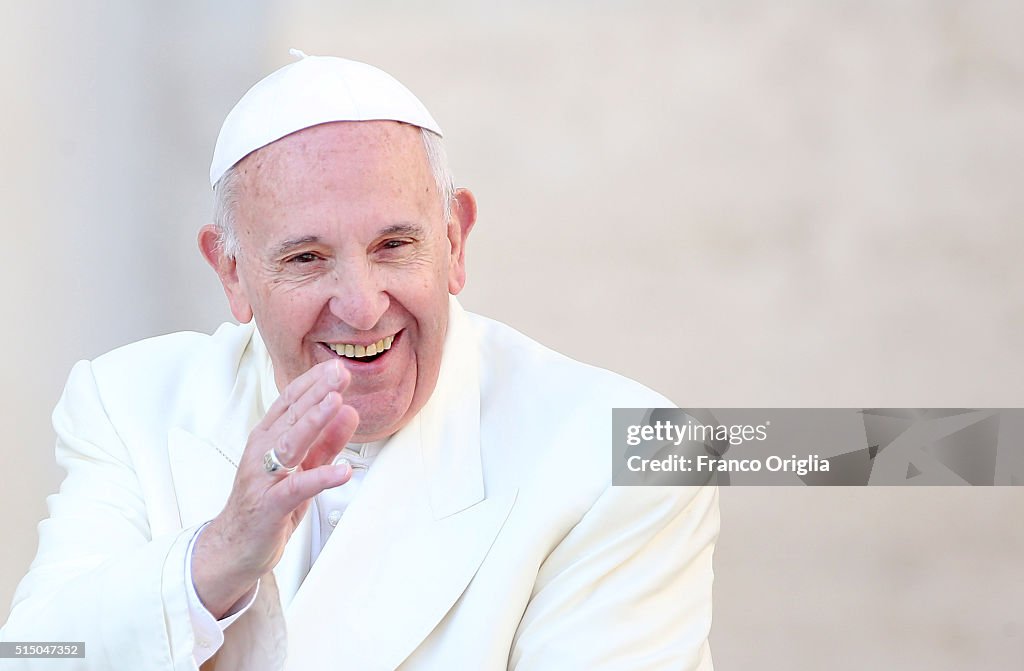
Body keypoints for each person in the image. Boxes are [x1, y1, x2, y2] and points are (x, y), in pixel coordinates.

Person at [1, 51, 719, 670]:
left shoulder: (621, 451)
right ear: (231, 273)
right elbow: (34, 653)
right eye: (306, 258)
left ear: (455, 241)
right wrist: (215, 559)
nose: (363, 305)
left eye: (394, 246)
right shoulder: (131, 403)